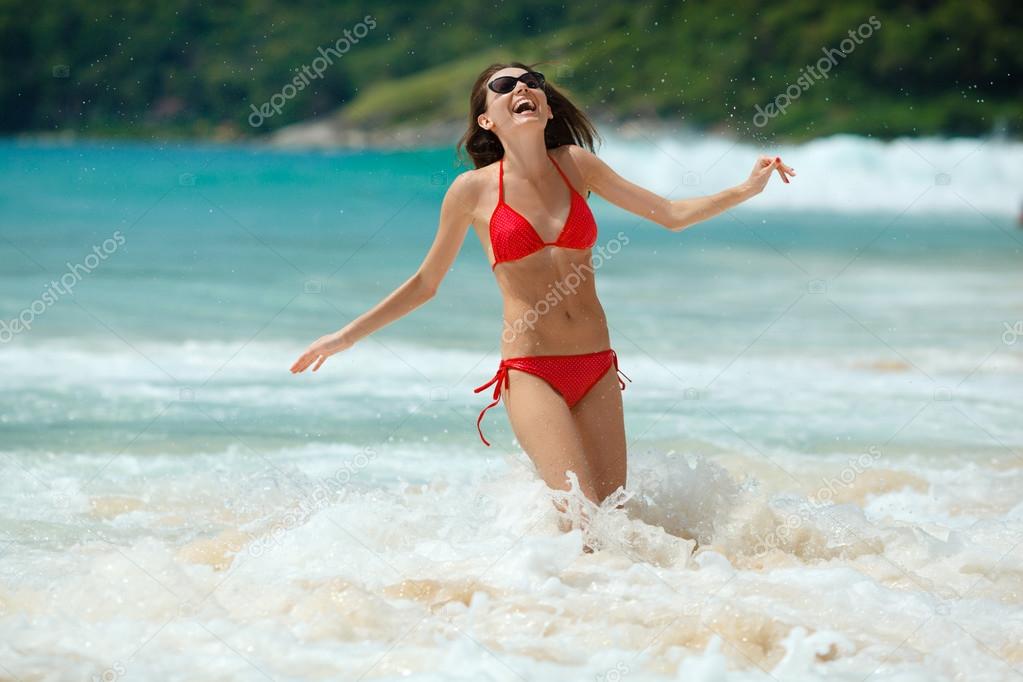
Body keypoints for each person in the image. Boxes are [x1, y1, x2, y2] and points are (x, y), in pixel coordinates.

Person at [290, 61, 794, 536]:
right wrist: (345, 336)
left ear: (548, 108)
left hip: (596, 366)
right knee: (582, 521)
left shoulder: (577, 166)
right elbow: (426, 283)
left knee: (612, 522)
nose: (522, 88)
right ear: (486, 120)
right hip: (532, 371)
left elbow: (671, 214)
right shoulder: (471, 191)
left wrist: (746, 189)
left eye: (532, 81)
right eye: (504, 86)